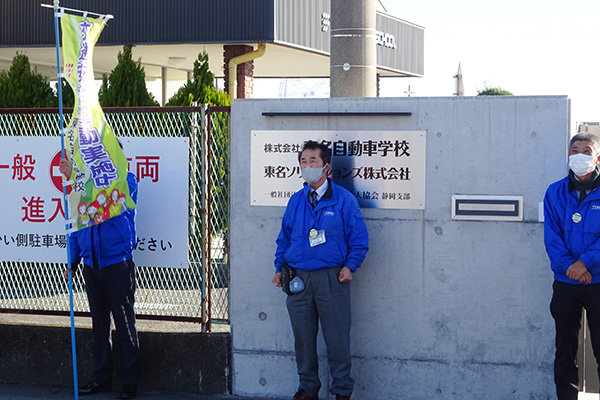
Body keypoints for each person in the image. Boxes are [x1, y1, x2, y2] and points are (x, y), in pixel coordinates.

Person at [273, 141, 369, 400]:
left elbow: (359, 239)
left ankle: (341, 392)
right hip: (298, 279)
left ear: (327, 167)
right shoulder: (296, 201)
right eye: (303, 161)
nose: (307, 166)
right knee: (303, 340)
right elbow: (285, 238)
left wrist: (350, 266)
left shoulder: (344, 200)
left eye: (312, 161)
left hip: (332, 278)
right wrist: (279, 267)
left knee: (337, 339)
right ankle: (307, 389)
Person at [60, 154, 140, 400]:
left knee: (125, 325)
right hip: (91, 264)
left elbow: (107, 201)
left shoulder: (126, 181)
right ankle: (101, 379)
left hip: (117, 263)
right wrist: (72, 262)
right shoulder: (83, 186)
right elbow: (76, 224)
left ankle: (129, 383)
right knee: (99, 325)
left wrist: (74, 178)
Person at [544, 132, 600, 400]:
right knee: (565, 350)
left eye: (587, 151)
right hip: (566, 283)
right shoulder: (555, 192)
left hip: (597, 281)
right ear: (569, 156)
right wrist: (571, 267)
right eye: (575, 150)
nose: (580, 156)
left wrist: (584, 263)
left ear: (597, 157)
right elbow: (551, 237)